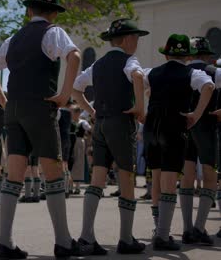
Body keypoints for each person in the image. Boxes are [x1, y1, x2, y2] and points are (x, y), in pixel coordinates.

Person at [0, 0, 89, 258]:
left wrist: (4, 100)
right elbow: (74, 56)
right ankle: (63, 242)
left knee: (14, 174)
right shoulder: (53, 32)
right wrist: (65, 94)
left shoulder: (14, 38)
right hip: (40, 106)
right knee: (52, 171)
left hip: (15, 109)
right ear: (54, 13)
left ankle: (4, 242)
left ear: (30, 10)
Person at [72, 18, 148, 255]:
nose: (136, 43)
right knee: (126, 177)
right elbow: (137, 76)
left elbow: (76, 87)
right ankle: (126, 238)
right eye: (135, 38)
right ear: (127, 39)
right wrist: (139, 107)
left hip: (101, 123)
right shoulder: (129, 60)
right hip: (120, 122)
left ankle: (86, 236)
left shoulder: (98, 64)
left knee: (98, 178)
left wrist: (91, 110)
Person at [144, 34, 214, 251]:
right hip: (174, 127)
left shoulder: (152, 72)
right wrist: (196, 113)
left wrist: (142, 104)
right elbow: (209, 87)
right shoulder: (191, 72)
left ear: (166, 54)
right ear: (187, 56)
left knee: (155, 178)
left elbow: (137, 78)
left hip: (151, 127)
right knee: (169, 180)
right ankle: (163, 236)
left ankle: (158, 229)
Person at [178, 36, 221, 246]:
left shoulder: (180, 72)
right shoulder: (215, 72)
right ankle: (199, 227)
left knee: (187, 174)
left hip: (183, 127)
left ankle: (187, 228)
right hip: (206, 126)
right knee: (210, 175)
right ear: (207, 55)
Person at [69, 107, 92, 195]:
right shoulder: (70, 121)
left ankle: (77, 187)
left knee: (79, 163)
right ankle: (70, 187)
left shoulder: (83, 122)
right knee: (70, 163)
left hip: (79, 142)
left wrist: (89, 141)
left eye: (75, 112)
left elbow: (90, 130)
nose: (73, 114)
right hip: (70, 142)